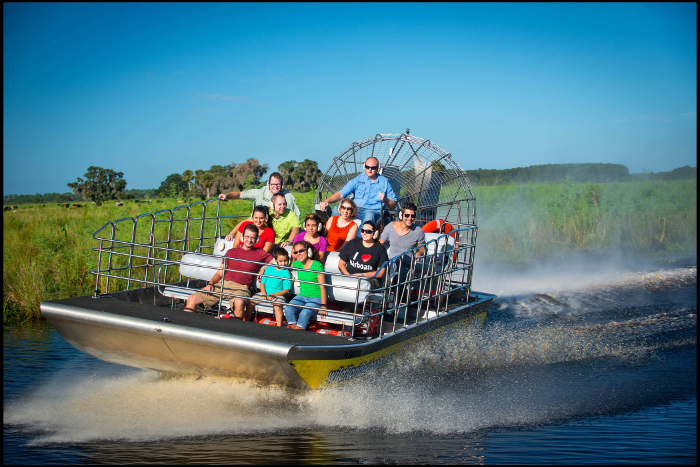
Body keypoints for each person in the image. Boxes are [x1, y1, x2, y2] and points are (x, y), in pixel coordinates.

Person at [183, 224, 273, 319]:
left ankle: (236, 330)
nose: (249, 240)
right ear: (242, 237)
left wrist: (264, 269)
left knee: (239, 302)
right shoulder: (231, 252)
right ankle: (184, 327)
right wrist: (210, 284)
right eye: (247, 237)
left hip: (241, 288)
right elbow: (219, 272)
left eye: (252, 238)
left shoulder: (260, 253)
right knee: (192, 298)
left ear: (256, 239)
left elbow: (276, 263)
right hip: (223, 284)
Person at [318, 157, 397, 228]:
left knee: (369, 216)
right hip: (355, 210)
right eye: (367, 167)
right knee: (336, 209)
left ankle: (358, 241)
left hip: (372, 212)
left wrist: (385, 199)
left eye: (373, 168)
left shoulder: (384, 182)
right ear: (364, 167)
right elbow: (340, 194)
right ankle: (333, 235)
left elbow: (393, 205)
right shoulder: (357, 180)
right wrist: (326, 201)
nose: (369, 169)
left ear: (377, 168)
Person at [284, 241, 328, 330]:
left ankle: (297, 333)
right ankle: (297, 332)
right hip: (302, 296)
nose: (298, 254)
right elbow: (281, 264)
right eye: (296, 252)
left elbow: (322, 287)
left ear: (308, 251)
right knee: (288, 309)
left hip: (316, 297)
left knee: (304, 313)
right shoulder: (297, 264)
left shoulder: (317, 265)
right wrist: (264, 268)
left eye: (301, 251)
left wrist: (323, 305)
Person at [218, 172, 300, 217]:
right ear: (268, 184)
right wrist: (227, 196)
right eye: (273, 184)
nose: (275, 187)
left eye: (278, 184)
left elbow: (296, 217)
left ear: (282, 185)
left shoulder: (288, 197)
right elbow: (239, 194)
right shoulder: (260, 193)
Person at [338, 220, 389, 289]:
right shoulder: (352, 243)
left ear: (375, 233)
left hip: (369, 279)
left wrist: (361, 275)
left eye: (368, 231)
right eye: (362, 230)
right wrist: (348, 276)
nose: (364, 233)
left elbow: (380, 273)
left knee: (362, 284)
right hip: (350, 276)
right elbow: (341, 264)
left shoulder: (380, 249)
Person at [247, 247, 292, 326]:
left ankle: (278, 327)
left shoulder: (286, 272)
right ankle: (246, 322)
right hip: (265, 293)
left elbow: (286, 289)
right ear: (275, 260)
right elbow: (262, 283)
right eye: (281, 261)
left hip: (278, 295)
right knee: (249, 303)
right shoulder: (268, 269)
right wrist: (264, 293)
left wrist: (275, 295)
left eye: (285, 261)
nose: (283, 263)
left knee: (277, 306)